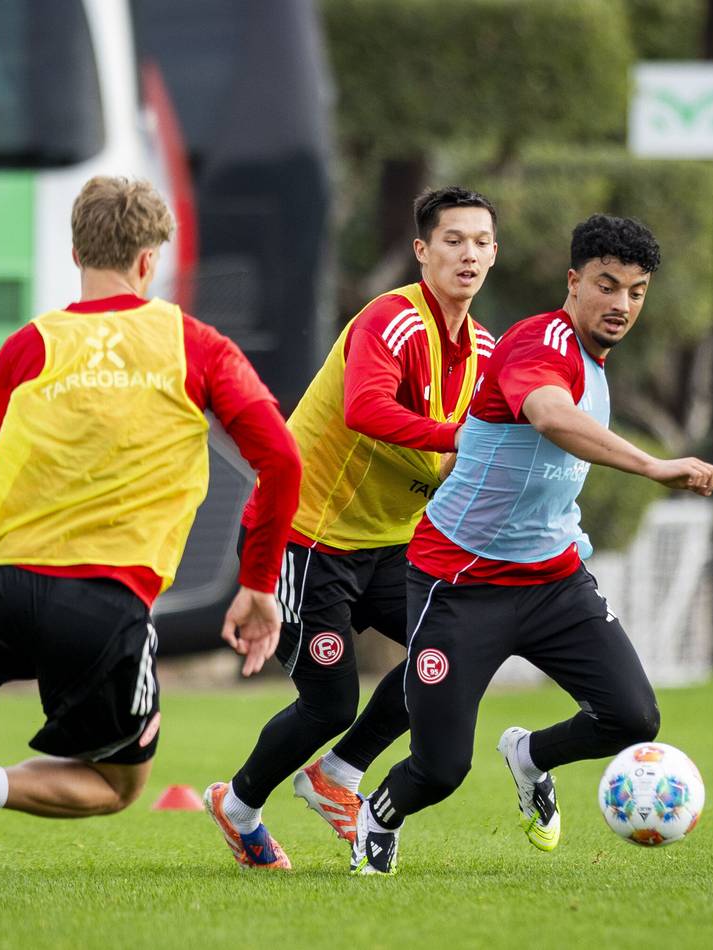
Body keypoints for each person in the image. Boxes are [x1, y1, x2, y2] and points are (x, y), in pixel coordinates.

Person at [0, 176, 301, 891]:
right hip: (102, 599)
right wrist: (257, 586)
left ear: (77, 249)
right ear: (149, 263)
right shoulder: (194, 344)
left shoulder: (28, 346)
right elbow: (282, 461)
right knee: (117, 785)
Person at [349, 213, 713, 874]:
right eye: (607, 286)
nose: (621, 304)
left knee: (633, 717)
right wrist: (654, 465)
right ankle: (376, 814)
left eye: (636, 292)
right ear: (574, 281)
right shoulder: (537, 342)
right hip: (459, 583)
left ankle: (529, 757)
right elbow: (552, 416)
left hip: (554, 580)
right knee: (440, 769)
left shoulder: (599, 364)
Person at [204, 187, 498, 869]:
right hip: (309, 540)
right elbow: (367, 408)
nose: (469, 254)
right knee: (331, 701)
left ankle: (336, 777)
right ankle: (240, 804)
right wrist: (461, 438)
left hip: (392, 545)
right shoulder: (390, 321)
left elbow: (493, 446)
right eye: (453, 239)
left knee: (452, 651)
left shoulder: (486, 346)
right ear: (422, 251)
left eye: (482, 241)